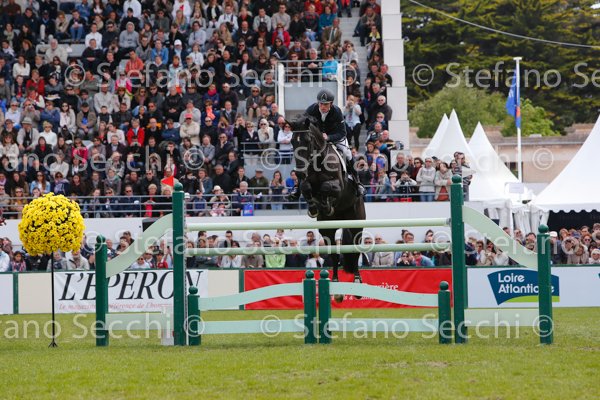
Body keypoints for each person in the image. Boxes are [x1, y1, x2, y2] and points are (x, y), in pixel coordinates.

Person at [288, 89, 364, 202]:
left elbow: (342, 132)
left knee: (347, 153)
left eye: (326, 104)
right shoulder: (312, 109)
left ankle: (357, 183)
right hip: (317, 139)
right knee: (304, 155)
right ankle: (297, 187)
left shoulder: (337, 111)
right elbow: (302, 123)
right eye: (321, 104)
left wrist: (328, 137)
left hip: (335, 137)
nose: (323, 106)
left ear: (331, 104)